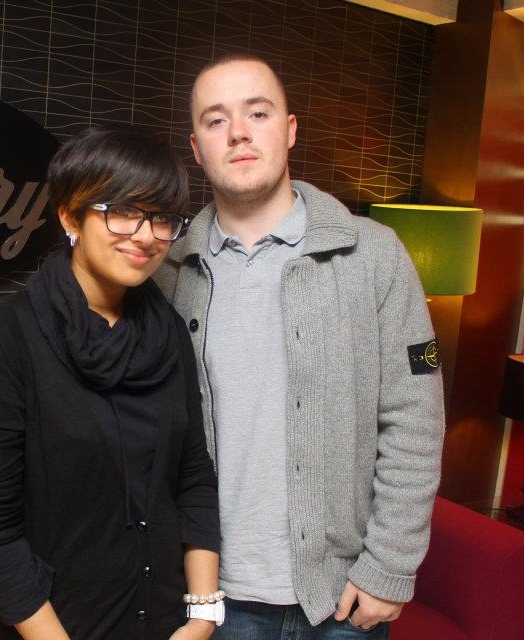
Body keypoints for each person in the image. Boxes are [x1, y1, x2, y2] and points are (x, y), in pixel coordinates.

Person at [154, 54, 445, 639]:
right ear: (196, 148)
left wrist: (390, 566)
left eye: (258, 113)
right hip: (209, 597)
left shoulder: (375, 255)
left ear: (289, 129)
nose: (238, 132)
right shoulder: (166, 270)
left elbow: (415, 417)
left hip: (341, 599)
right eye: (216, 120)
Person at [0, 125, 222, 640]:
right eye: (123, 210)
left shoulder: (168, 332)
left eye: (162, 218)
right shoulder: (3, 336)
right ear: (70, 216)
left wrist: (204, 615)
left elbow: (193, 476)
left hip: (167, 625)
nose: (145, 235)